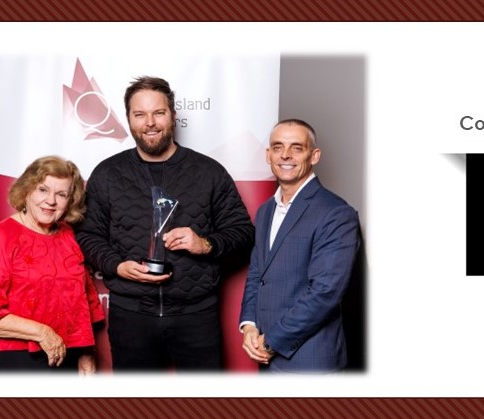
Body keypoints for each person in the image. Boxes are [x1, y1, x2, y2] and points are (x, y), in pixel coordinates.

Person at [75, 76, 254, 371]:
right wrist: (115, 265)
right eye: (140, 114)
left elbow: (243, 233)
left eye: (158, 112)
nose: (150, 123)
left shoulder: (209, 172)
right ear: (129, 119)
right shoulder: (108, 174)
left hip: (197, 316)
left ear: (173, 115)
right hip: (131, 316)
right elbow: (87, 235)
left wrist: (205, 244)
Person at [0, 156, 105, 373]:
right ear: (27, 191)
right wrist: (42, 333)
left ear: (69, 201)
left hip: (63, 357)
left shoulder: (67, 235)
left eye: (61, 194)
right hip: (9, 359)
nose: (51, 201)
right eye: (43, 190)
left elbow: (81, 304)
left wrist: (85, 353)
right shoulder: (1, 237)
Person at [239, 119, 361, 373]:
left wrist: (271, 341)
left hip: (309, 359)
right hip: (266, 355)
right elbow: (257, 273)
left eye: (297, 148)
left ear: (314, 155)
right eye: (277, 147)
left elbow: (324, 293)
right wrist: (249, 325)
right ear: (268, 154)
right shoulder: (265, 211)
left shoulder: (336, 213)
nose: (285, 155)